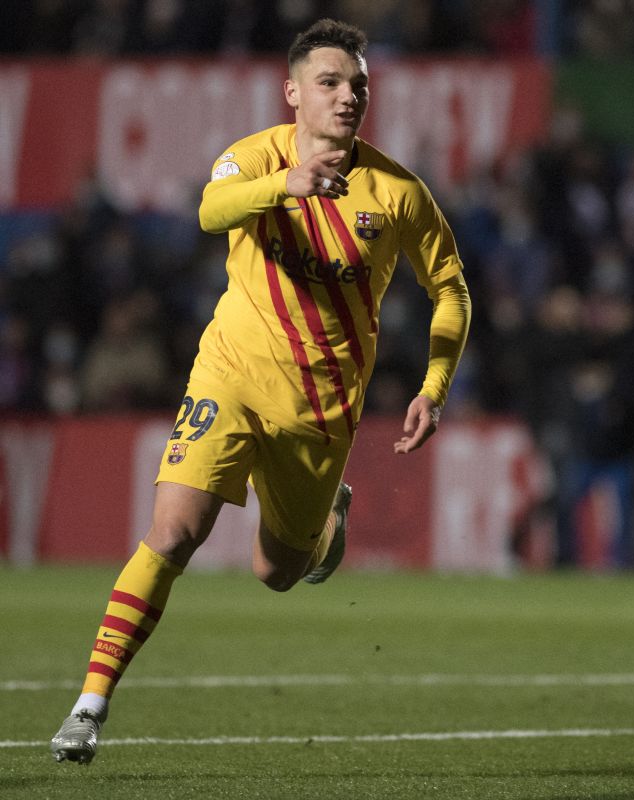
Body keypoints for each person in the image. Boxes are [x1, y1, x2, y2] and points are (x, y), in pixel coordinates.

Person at [50, 18, 471, 764]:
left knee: (278, 573)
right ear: (292, 93)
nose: (348, 97)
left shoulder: (397, 192)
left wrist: (434, 386)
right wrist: (285, 187)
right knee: (174, 532)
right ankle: (89, 704)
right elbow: (211, 212)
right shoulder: (252, 160)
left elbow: (451, 290)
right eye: (331, 83)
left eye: (359, 85)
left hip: (321, 408)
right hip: (231, 375)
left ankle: (325, 525)